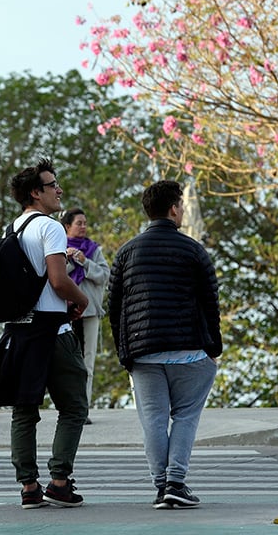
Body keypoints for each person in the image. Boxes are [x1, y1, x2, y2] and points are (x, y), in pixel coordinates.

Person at [108, 180, 222, 509]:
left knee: (154, 420)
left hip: (143, 354)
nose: (183, 210)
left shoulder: (126, 252)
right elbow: (210, 302)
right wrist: (214, 348)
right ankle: (176, 482)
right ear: (173, 209)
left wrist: (124, 352)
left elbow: (114, 308)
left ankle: (162, 487)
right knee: (185, 417)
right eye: (182, 205)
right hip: (190, 353)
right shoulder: (193, 250)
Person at [0, 158, 90, 509]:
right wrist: (82, 299)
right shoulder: (50, 227)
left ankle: (29, 487)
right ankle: (60, 480)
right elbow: (60, 281)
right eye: (52, 185)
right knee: (74, 406)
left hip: (18, 333)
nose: (59, 190)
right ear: (36, 192)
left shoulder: (11, 229)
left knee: (24, 410)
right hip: (52, 331)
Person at [61, 208, 110, 424]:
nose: (83, 227)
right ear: (67, 227)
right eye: (79, 223)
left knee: (87, 361)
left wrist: (85, 261)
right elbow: (55, 275)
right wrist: (71, 260)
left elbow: (105, 276)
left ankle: (83, 410)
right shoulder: (58, 249)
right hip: (64, 313)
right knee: (67, 363)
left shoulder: (93, 250)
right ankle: (67, 407)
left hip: (90, 312)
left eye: (85, 223)